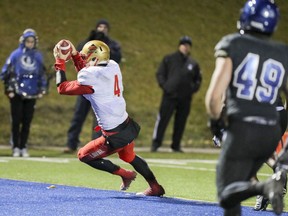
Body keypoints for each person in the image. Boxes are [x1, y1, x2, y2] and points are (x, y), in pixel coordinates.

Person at [205, 0, 288, 215]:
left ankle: (265, 186)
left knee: (226, 193)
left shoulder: (233, 44)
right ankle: (275, 174)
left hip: (243, 128)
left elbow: (215, 96)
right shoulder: (283, 52)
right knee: (241, 180)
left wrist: (215, 123)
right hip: (270, 129)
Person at [53, 39, 165, 196]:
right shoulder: (113, 65)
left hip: (114, 135)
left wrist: (60, 61)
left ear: (96, 58)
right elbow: (88, 72)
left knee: (83, 155)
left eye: (88, 58)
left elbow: (62, 88)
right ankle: (155, 186)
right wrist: (74, 56)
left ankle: (124, 174)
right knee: (129, 156)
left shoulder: (91, 76)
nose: (85, 61)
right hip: (126, 124)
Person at [64, 19, 122, 153]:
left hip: (101, 88)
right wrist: (90, 41)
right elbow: (77, 57)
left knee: (99, 119)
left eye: (104, 27)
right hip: (86, 85)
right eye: (99, 27)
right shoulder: (87, 43)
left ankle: (97, 146)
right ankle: (71, 143)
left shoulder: (112, 44)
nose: (102, 29)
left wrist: (105, 44)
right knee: (78, 115)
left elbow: (116, 59)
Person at [0, 28, 47, 157]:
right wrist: (9, 89)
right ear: (23, 41)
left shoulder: (38, 56)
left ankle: (23, 146)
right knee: (16, 121)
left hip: (32, 94)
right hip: (16, 93)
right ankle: (15, 146)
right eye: (28, 41)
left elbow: (41, 74)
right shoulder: (15, 55)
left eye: (32, 41)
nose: (30, 44)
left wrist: (42, 88)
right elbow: (5, 72)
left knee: (27, 122)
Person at [151, 36, 202, 153]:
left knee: (181, 122)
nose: (185, 47)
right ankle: (156, 143)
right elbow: (160, 74)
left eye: (188, 45)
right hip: (169, 95)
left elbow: (198, 79)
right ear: (179, 46)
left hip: (185, 97)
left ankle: (176, 145)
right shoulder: (169, 59)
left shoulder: (193, 63)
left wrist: (191, 89)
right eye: (184, 45)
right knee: (163, 119)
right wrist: (165, 86)